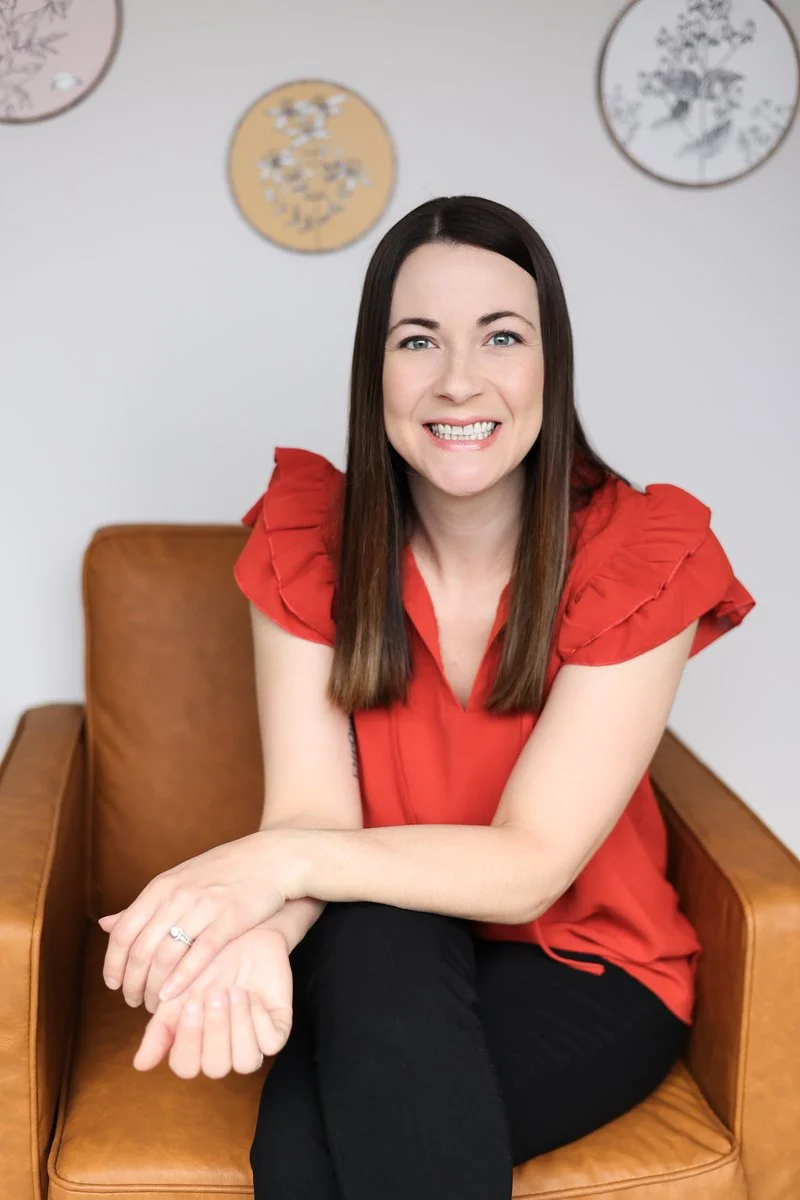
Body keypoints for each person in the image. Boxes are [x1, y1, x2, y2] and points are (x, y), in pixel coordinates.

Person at [100, 195, 756, 1199]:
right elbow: (313, 820)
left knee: (311, 1154)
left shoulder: (639, 553)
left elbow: (531, 865)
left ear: (550, 366)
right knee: (377, 929)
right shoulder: (308, 540)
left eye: (501, 337)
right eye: (418, 340)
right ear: (374, 371)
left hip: (590, 964)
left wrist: (264, 871)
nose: (458, 379)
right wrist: (266, 933)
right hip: (376, 947)